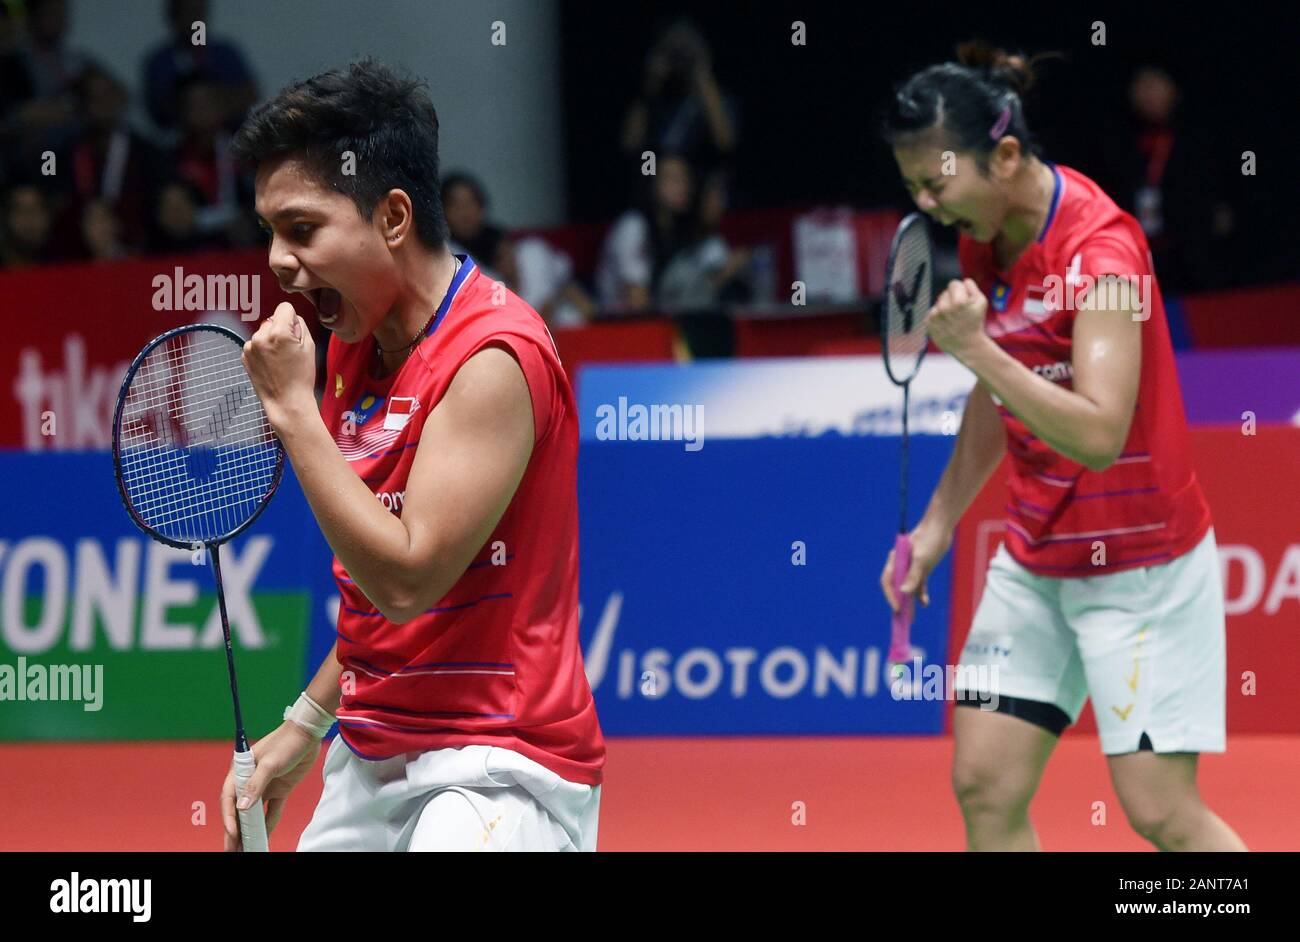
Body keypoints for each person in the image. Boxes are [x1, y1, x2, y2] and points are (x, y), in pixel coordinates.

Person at [219, 59, 604, 852]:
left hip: (501, 765)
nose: (277, 262)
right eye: (269, 233)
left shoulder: (492, 357)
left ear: (393, 216)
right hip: (370, 754)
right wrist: (303, 725)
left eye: (302, 229)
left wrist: (291, 413)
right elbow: (370, 605)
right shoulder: (349, 349)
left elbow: (404, 580)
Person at [878, 42, 1245, 852]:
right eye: (912, 188)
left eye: (936, 183)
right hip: (1037, 556)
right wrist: (938, 526)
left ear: (1004, 157)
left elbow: (1099, 433)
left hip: (1141, 567)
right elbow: (999, 390)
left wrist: (978, 350)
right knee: (984, 785)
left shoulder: (1103, 257)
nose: (928, 206)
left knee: (1163, 816)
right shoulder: (986, 233)